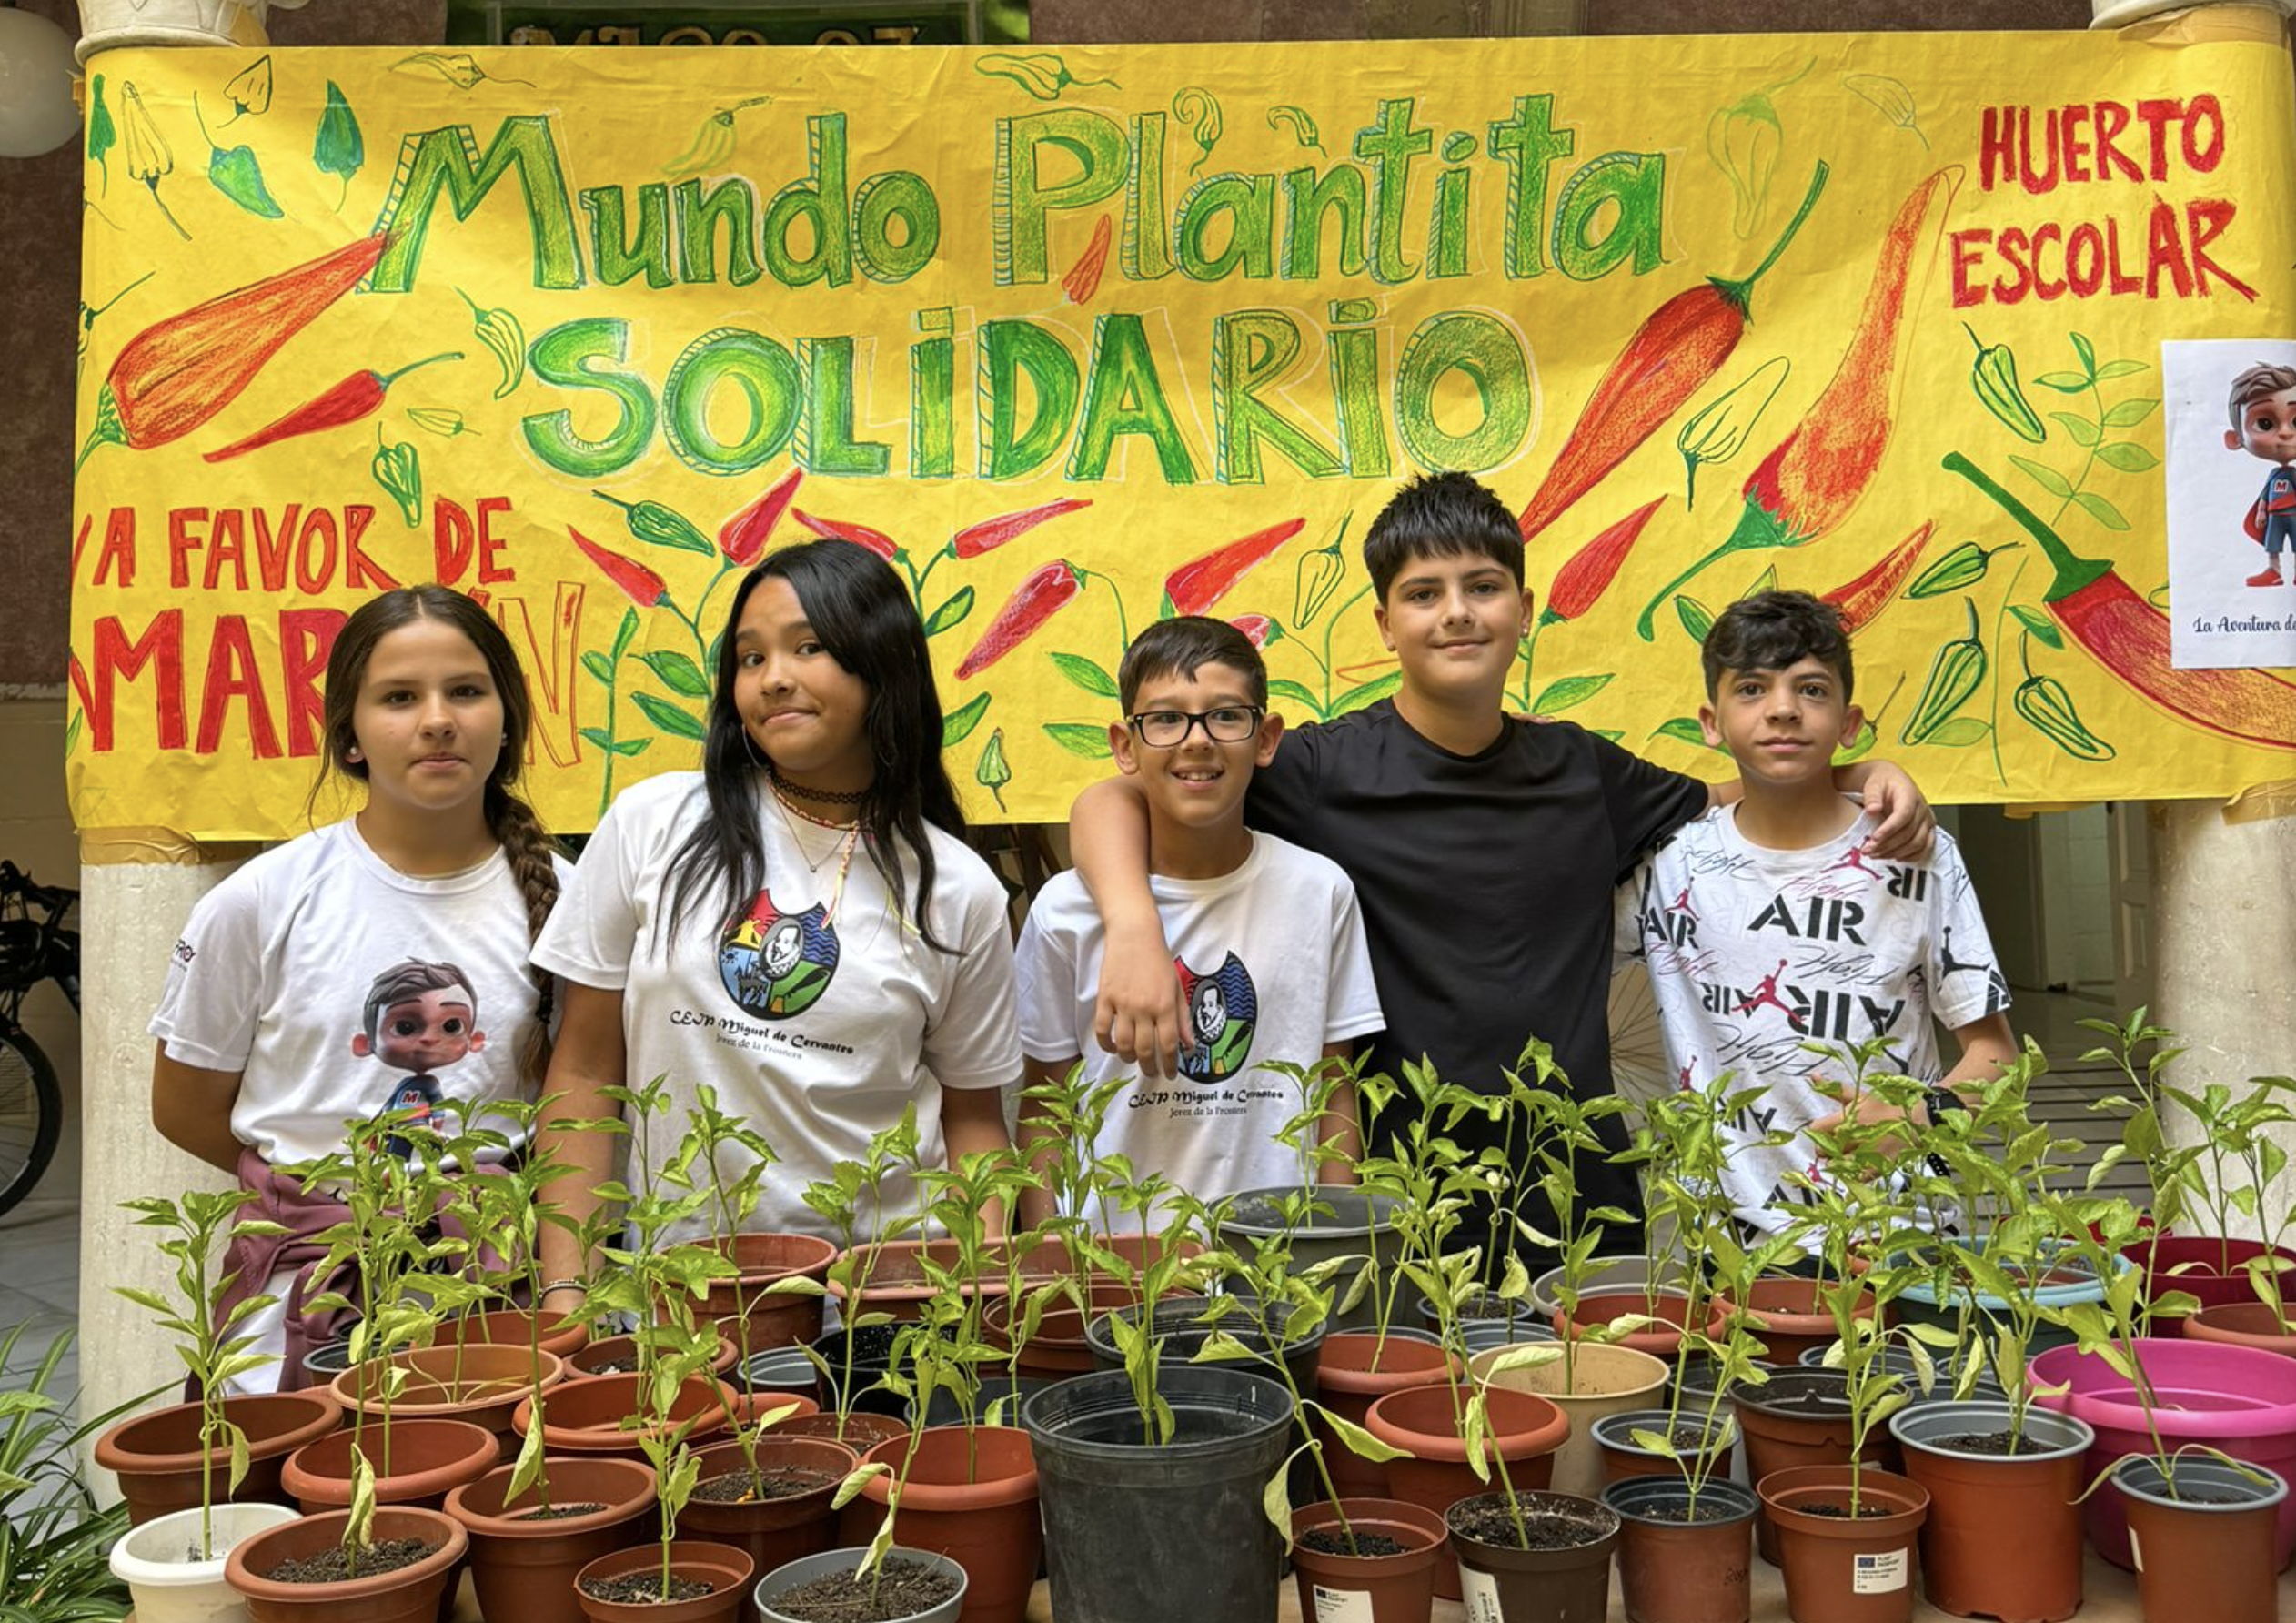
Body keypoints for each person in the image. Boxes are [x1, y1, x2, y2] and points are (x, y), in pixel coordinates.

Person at [1072, 473, 1932, 1265]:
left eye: (1482, 588)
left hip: (1576, 1185)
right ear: (1384, 624)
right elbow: (1111, 801)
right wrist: (1134, 929)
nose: (1457, 613)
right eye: (1423, 594)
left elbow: (1738, 789)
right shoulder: (1319, 771)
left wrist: (1859, 776)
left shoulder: (1584, 772)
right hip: (1399, 1186)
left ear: (1523, 609)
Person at [531, 540, 1019, 1309]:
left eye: (809, 647)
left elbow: (974, 1121)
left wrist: (975, 1302)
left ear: (880, 662)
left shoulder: (957, 889)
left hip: (883, 1309)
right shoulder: (652, 824)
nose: (773, 678)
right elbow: (587, 1070)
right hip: (677, 1298)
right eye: (750, 658)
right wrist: (566, 1294)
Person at [148, 585, 567, 1389]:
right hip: (301, 1302)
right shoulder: (261, 901)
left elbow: (571, 1107)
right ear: (350, 733)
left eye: (467, 692)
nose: (437, 719)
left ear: (507, 718)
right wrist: (325, 1201)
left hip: (489, 1293)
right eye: (400, 697)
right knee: (297, 1505)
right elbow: (184, 1107)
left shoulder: (565, 901)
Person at [1616, 590, 2016, 1245]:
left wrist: (1914, 1117)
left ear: (1849, 721)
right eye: (1750, 689)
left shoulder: (1916, 853)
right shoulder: (1669, 865)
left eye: (1810, 689)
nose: (1781, 710)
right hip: (1731, 1243)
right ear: (1710, 722)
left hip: (1897, 1232)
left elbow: (1996, 1056)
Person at [1014, 618, 1383, 1228]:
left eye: (1225, 715)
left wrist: (1335, 1240)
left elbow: (1334, 1087)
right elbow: (1045, 1106)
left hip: (1276, 1259)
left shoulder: (1321, 891)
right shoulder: (1065, 910)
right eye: (1165, 718)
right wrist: (1053, 1262)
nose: (1196, 740)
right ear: (1124, 745)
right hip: (1112, 1262)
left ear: (1265, 739)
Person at [2225, 361, 2296, 588]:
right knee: (2272, 544)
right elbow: (2265, 495)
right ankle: (2273, 572)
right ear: (2236, 439)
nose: (2285, 432)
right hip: (2274, 516)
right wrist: (2261, 513)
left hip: (2293, 514)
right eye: (2265, 423)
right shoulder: (2274, 475)